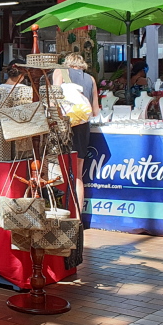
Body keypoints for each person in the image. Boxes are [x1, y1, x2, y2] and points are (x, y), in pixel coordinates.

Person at [54, 53, 100, 211]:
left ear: (67, 63)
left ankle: (62, 212)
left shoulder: (60, 71)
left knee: (59, 170)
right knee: (78, 174)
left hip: (63, 127)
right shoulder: (91, 79)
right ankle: (78, 216)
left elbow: (54, 100)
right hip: (82, 128)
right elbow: (95, 111)